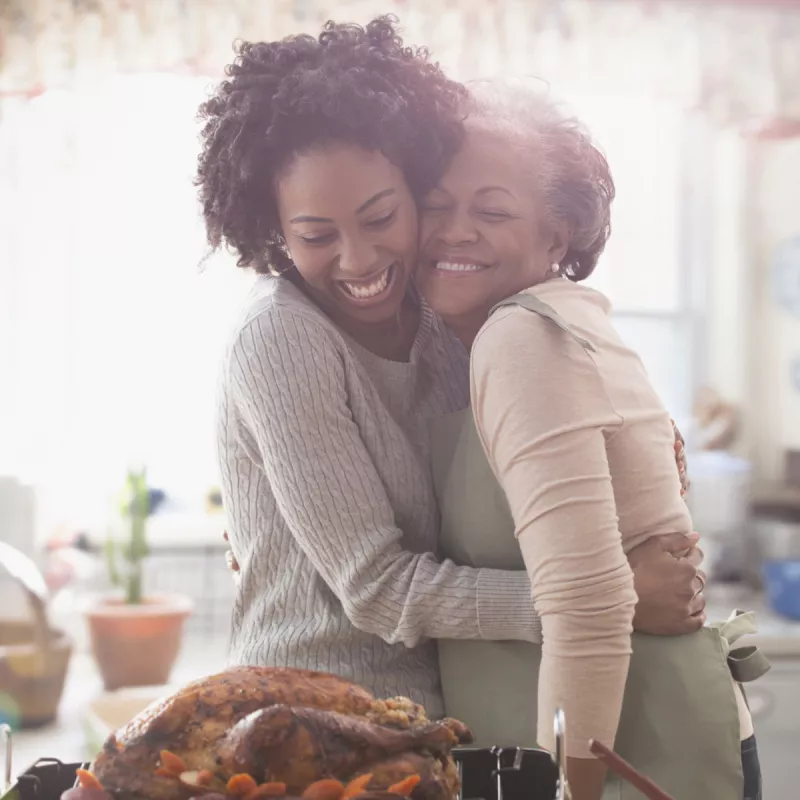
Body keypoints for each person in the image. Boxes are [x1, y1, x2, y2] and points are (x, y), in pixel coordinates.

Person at [200, 16, 705, 727]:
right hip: (310, 723)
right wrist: (606, 596)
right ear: (273, 233)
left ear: (414, 190)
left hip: (445, 721)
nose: (359, 260)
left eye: (381, 217)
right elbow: (374, 588)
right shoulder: (280, 339)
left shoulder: (447, 316)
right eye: (317, 235)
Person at [416, 80, 766, 800]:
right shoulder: (537, 327)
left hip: (624, 759)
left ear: (557, 237)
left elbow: (589, 606)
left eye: (492, 210)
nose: (454, 231)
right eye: (437, 205)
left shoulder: (522, 336)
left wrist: (562, 790)